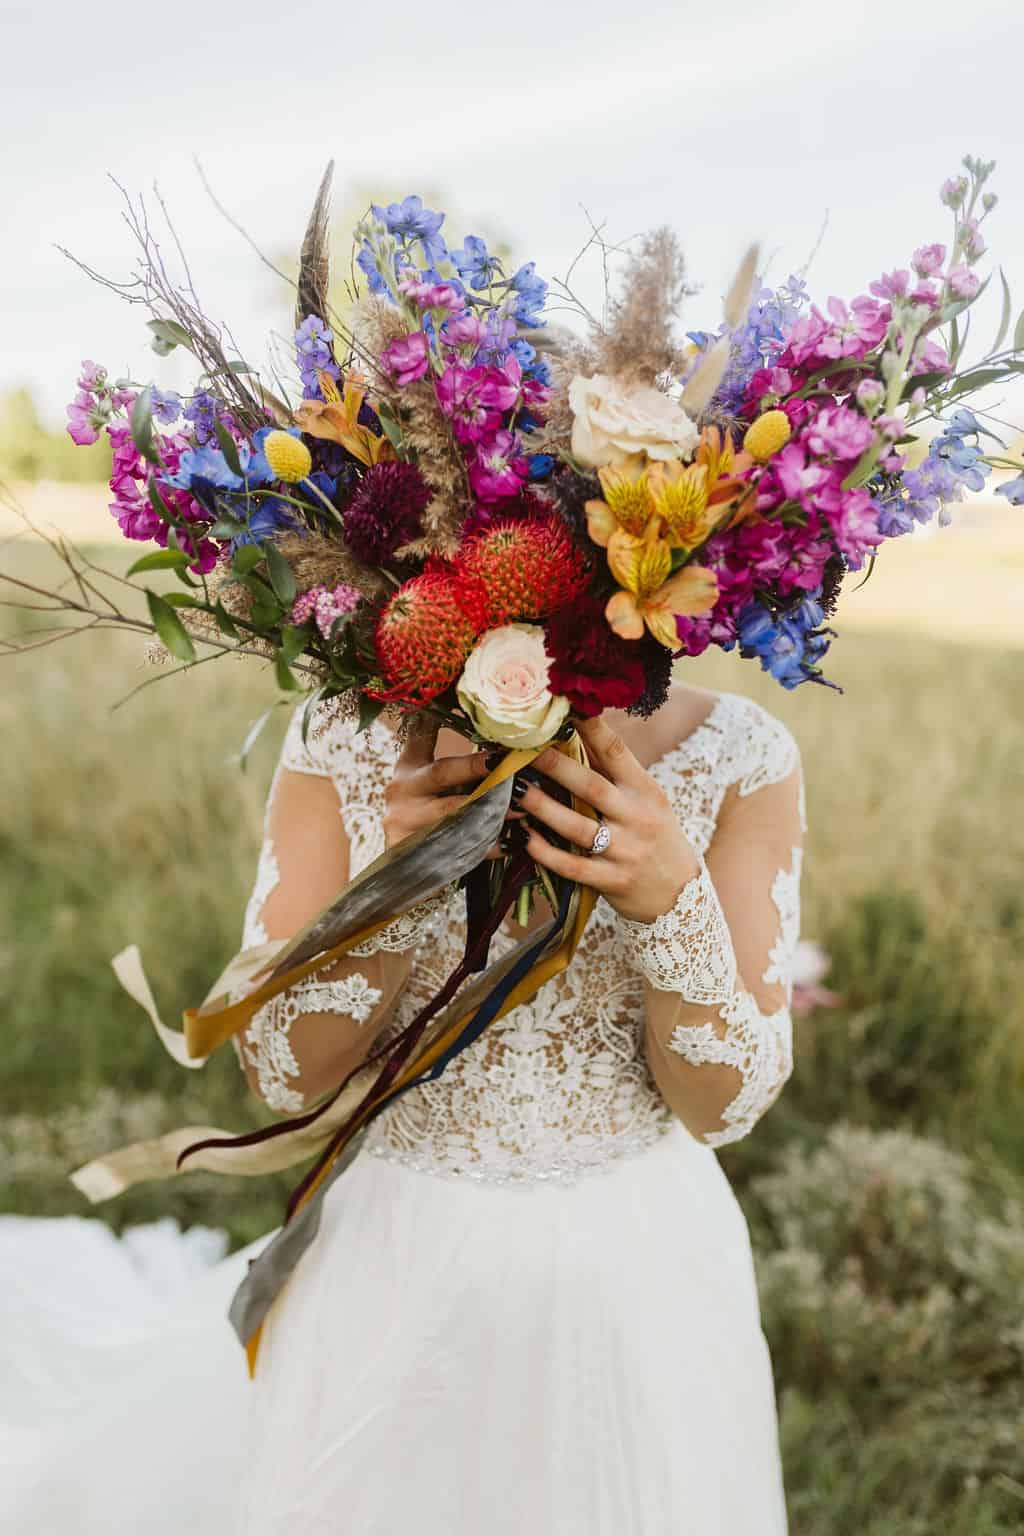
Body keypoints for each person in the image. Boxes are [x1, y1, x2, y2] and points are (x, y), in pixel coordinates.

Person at [1, 679, 803, 1536]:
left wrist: (674, 904)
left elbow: (722, 1110)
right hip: (393, 1254)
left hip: (635, 1274)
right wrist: (399, 885)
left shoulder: (739, 753)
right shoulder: (343, 732)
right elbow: (285, 1076)